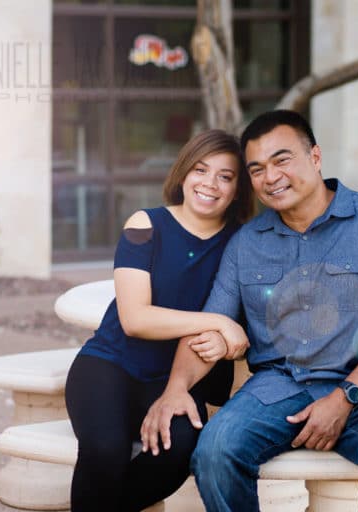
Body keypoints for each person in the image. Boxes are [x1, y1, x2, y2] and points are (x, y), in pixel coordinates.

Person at [140, 110, 358, 512]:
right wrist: (175, 389)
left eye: (283, 160)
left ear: (315, 157)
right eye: (257, 169)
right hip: (277, 386)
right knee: (214, 453)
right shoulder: (247, 243)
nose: (271, 177)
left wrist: (345, 396)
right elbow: (208, 330)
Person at [64, 129, 255, 512]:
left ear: (238, 190)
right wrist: (217, 320)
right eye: (201, 170)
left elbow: (252, 318)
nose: (209, 183)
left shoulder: (245, 243)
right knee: (105, 450)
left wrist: (232, 335)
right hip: (109, 365)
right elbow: (135, 319)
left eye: (225, 176)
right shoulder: (145, 225)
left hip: (181, 380)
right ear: (184, 173)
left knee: (176, 454)